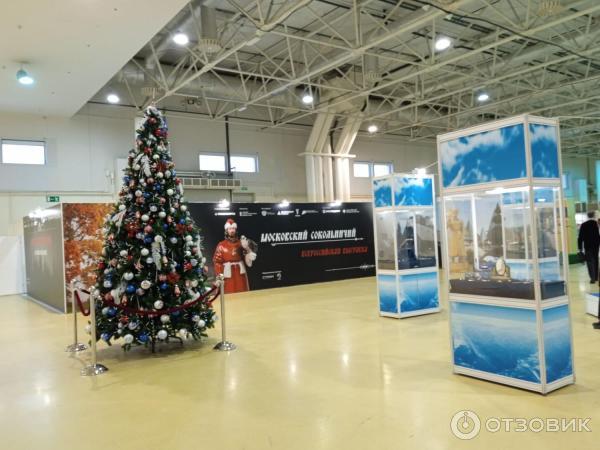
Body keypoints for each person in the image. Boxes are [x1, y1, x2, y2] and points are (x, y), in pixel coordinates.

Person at [212, 218, 257, 294]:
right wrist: (220, 276)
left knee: (242, 291)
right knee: (228, 292)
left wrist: (247, 248)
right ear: (226, 230)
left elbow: (247, 257)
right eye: (230, 229)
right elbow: (217, 262)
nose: (232, 231)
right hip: (227, 274)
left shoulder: (241, 243)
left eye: (233, 228)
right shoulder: (221, 245)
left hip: (240, 273)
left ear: (235, 230)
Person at [577, 211, 600, 283]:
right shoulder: (597, 224)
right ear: (594, 216)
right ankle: (596, 277)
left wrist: (580, 248)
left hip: (587, 246)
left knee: (589, 262)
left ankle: (592, 278)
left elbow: (580, 237)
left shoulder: (584, 225)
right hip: (596, 246)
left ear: (587, 216)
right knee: (596, 260)